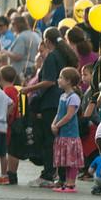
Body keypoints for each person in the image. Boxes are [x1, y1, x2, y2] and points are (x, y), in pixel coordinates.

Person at [24, 28, 79, 187]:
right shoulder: (65, 55)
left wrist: (29, 89)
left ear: (47, 41)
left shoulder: (52, 57)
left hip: (50, 102)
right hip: (61, 100)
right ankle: (61, 176)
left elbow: (49, 81)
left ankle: (48, 173)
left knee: (48, 140)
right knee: (59, 140)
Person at [50, 67, 84, 193]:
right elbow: (59, 113)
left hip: (70, 133)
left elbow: (69, 115)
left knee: (71, 160)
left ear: (68, 81)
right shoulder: (63, 96)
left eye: (61, 78)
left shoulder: (73, 97)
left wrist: (57, 125)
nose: (58, 80)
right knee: (64, 159)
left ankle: (71, 183)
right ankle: (63, 180)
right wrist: (54, 124)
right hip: (62, 133)